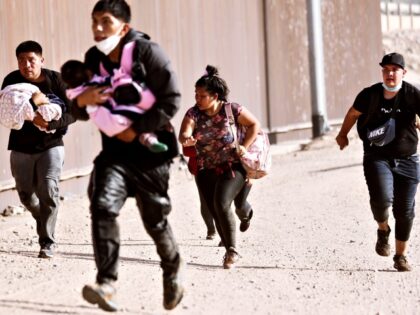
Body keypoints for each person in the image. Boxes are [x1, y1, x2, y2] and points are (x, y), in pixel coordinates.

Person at [70, 0, 184, 311]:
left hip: (151, 151)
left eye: (105, 21)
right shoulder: (93, 59)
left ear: (124, 26)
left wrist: (137, 129)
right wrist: (83, 100)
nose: (97, 28)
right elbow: (79, 109)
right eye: (94, 21)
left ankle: (172, 267)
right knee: (102, 206)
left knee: (154, 219)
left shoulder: (147, 52)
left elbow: (172, 98)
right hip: (115, 153)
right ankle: (106, 284)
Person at [336, 52, 420, 272]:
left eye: (395, 70)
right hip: (377, 156)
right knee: (382, 201)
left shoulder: (412, 94)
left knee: (405, 211)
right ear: (382, 72)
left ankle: (400, 256)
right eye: (386, 69)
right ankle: (383, 230)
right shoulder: (369, 95)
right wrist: (343, 134)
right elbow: (353, 114)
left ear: (404, 72)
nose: (390, 73)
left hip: (409, 159)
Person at [1, 40, 75, 259]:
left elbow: (74, 113)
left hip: (51, 146)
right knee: (26, 195)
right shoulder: (12, 81)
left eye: (31, 60)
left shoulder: (57, 81)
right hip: (21, 147)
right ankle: (43, 218)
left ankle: (47, 242)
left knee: (49, 189)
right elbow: (5, 108)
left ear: (41, 60)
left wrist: (50, 124)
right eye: (21, 60)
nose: (26, 65)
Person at [179, 65, 258, 269]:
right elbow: (184, 132)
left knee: (222, 202)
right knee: (216, 210)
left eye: (201, 95)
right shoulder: (193, 113)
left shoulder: (231, 110)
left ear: (215, 96)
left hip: (232, 167)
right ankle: (229, 250)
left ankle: (232, 250)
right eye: (195, 94)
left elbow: (254, 125)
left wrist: (243, 146)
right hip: (205, 169)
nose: (197, 98)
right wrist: (186, 139)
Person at [61, 59, 168, 153]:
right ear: (88, 72)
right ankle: (152, 135)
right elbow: (107, 82)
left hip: (106, 125)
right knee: (135, 115)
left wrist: (81, 100)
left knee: (134, 119)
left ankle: (150, 136)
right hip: (114, 117)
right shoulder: (93, 77)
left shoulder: (72, 92)